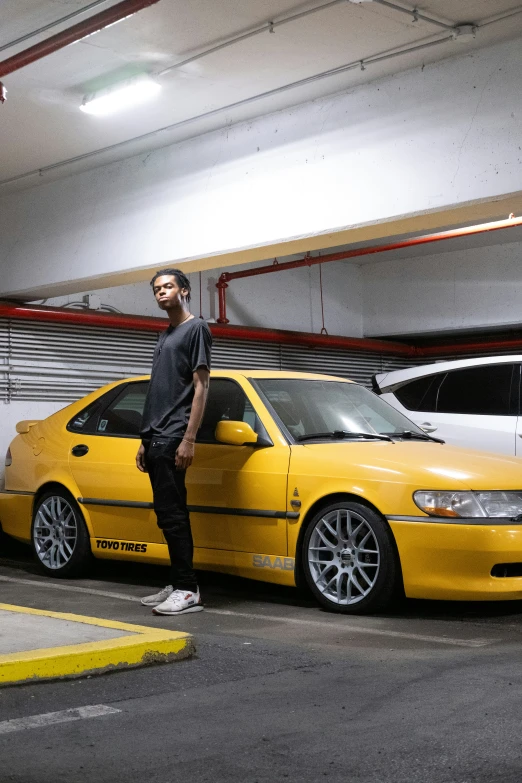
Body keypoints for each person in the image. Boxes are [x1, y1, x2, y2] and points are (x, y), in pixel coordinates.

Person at [136, 268, 212, 615]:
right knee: (166, 515)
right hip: (157, 436)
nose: (161, 293)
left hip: (174, 435)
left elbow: (201, 387)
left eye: (167, 287)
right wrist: (144, 438)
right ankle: (178, 580)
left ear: (184, 290)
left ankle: (187, 589)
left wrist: (189, 438)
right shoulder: (166, 334)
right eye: (156, 289)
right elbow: (159, 390)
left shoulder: (196, 329)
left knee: (174, 514)